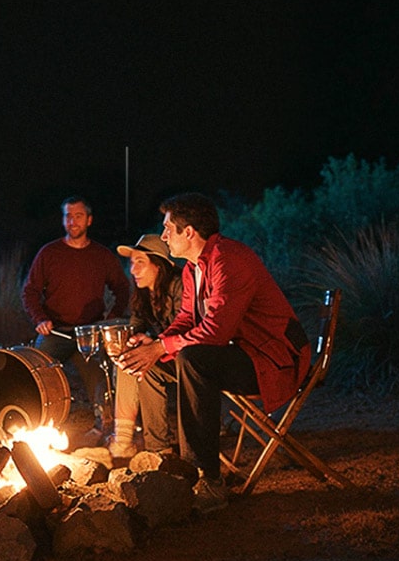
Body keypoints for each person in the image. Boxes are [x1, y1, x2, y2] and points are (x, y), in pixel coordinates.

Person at [116, 193, 310, 514]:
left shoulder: (228, 260)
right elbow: (187, 320)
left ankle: (208, 479)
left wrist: (161, 346)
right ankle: (163, 457)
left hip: (274, 360)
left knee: (193, 360)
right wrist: (155, 347)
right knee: (151, 365)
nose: (164, 237)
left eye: (168, 230)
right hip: (243, 353)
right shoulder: (193, 268)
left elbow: (215, 332)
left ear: (189, 232)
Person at [21, 197, 132, 424]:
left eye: (78, 216)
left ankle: (106, 426)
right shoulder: (49, 253)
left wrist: (112, 318)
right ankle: (34, 422)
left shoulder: (101, 255)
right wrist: (40, 318)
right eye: (68, 216)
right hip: (55, 331)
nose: (73, 221)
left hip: (90, 332)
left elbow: (122, 287)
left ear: (89, 220)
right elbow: (29, 291)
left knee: (101, 379)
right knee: (37, 372)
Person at [106, 234, 181, 458]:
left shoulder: (179, 285)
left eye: (140, 262)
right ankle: (124, 440)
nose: (133, 270)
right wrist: (134, 339)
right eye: (132, 263)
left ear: (159, 266)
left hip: (188, 355)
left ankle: (157, 447)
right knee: (129, 358)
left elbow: (185, 327)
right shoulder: (143, 293)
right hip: (165, 352)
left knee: (141, 362)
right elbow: (137, 322)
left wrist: (154, 343)